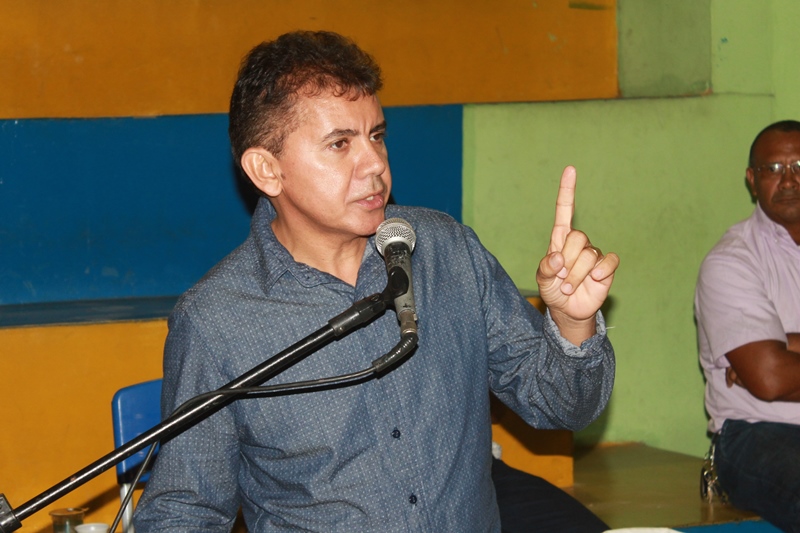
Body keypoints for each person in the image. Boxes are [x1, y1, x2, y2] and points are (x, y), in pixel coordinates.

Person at [134, 30, 619, 532]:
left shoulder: (446, 251)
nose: (374, 164)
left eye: (377, 136)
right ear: (266, 170)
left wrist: (571, 324)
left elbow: (564, 407)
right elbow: (183, 512)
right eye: (340, 143)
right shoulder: (218, 319)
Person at [695, 120, 800, 532]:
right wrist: (770, 361)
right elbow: (769, 379)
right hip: (757, 434)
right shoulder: (731, 261)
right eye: (773, 169)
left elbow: (772, 368)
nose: (789, 180)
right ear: (752, 180)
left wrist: (784, 347)